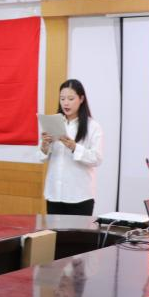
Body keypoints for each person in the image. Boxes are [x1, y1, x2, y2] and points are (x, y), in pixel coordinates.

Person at [39, 79, 103, 216]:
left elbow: (97, 159)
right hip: (54, 194)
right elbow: (42, 158)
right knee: (54, 230)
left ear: (81, 99)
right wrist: (44, 145)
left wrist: (75, 147)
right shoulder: (54, 122)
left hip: (80, 196)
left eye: (70, 98)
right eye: (62, 99)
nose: (65, 103)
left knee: (77, 231)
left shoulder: (93, 126)